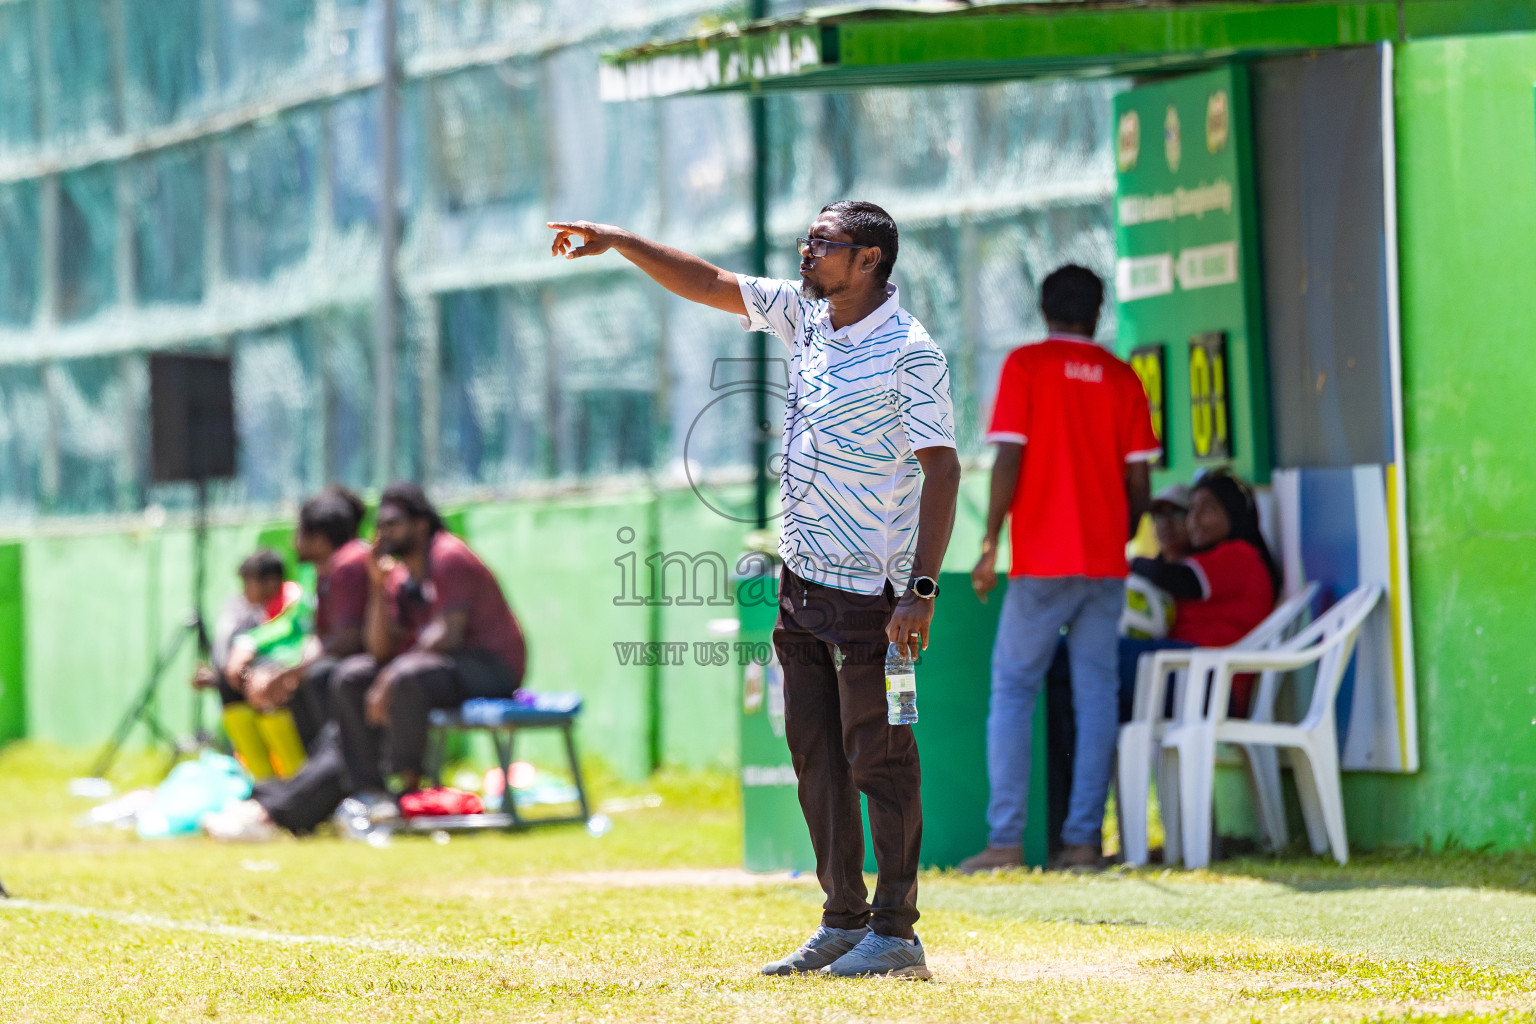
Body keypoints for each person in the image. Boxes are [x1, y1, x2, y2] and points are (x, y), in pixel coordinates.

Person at [548, 201, 960, 980]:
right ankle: (843, 920)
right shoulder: (807, 316)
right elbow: (706, 283)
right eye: (808, 239)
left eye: (824, 243)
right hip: (802, 586)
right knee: (816, 755)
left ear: (870, 259)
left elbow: (943, 469)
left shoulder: (912, 353)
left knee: (882, 755)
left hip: (879, 595)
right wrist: (619, 239)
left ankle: (897, 933)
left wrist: (922, 590)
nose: (807, 252)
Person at [961, 264, 1160, 875]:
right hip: (1104, 565)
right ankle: (1080, 844)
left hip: (1041, 563)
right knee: (1097, 695)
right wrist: (1116, 535)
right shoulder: (1123, 376)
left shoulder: (1025, 366)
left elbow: (1009, 459)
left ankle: (1006, 842)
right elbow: (1140, 479)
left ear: (1044, 310)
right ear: (1098, 313)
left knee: (1014, 691)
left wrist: (991, 538)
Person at [206, 484, 527, 841]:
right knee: (352, 676)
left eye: (393, 524)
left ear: (420, 525)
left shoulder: (448, 555)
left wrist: (389, 676)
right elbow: (379, 649)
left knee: (403, 676)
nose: (383, 533)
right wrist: (377, 586)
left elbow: (446, 637)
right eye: (381, 525)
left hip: (488, 666)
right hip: (436, 669)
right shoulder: (401, 572)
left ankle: (407, 789)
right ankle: (369, 792)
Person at [1124, 469, 1281, 717]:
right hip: (1188, 673)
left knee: (1080, 658)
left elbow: (1179, 579)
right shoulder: (1212, 557)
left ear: (1234, 513)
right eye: (1192, 509)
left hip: (1209, 683)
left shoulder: (1240, 556)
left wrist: (1126, 564)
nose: (1194, 519)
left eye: (1207, 509)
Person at [241, 486, 371, 744]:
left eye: (299, 533)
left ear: (320, 538)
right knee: (254, 677)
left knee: (317, 675)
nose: (293, 542)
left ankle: (334, 767)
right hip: (325, 657)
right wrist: (252, 646)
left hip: (362, 662)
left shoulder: (350, 565)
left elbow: (346, 638)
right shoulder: (319, 573)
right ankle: (290, 774)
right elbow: (309, 628)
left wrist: (290, 671)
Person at [193, 549, 308, 780]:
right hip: (268, 673)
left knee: (259, 687)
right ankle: (264, 781)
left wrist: (250, 651)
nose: (244, 590)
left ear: (271, 582)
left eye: (248, 582)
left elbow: (295, 640)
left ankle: (296, 778)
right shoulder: (253, 610)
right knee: (228, 684)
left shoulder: (294, 601)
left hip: (296, 671)